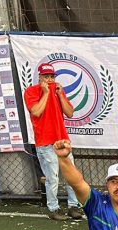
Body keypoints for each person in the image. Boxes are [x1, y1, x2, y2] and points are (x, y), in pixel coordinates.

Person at [23, 63, 83, 221]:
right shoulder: (32, 91)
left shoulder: (58, 91)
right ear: (40, 77)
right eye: (46, 76)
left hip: (62, 139)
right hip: (45, 141)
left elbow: (70, 113)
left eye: (52, 76)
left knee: (71, 175)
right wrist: (45, 93)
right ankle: (54, 208)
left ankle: (73, 206)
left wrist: (61, 94)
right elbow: (36, 111)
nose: (49, 79)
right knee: (53, 177)